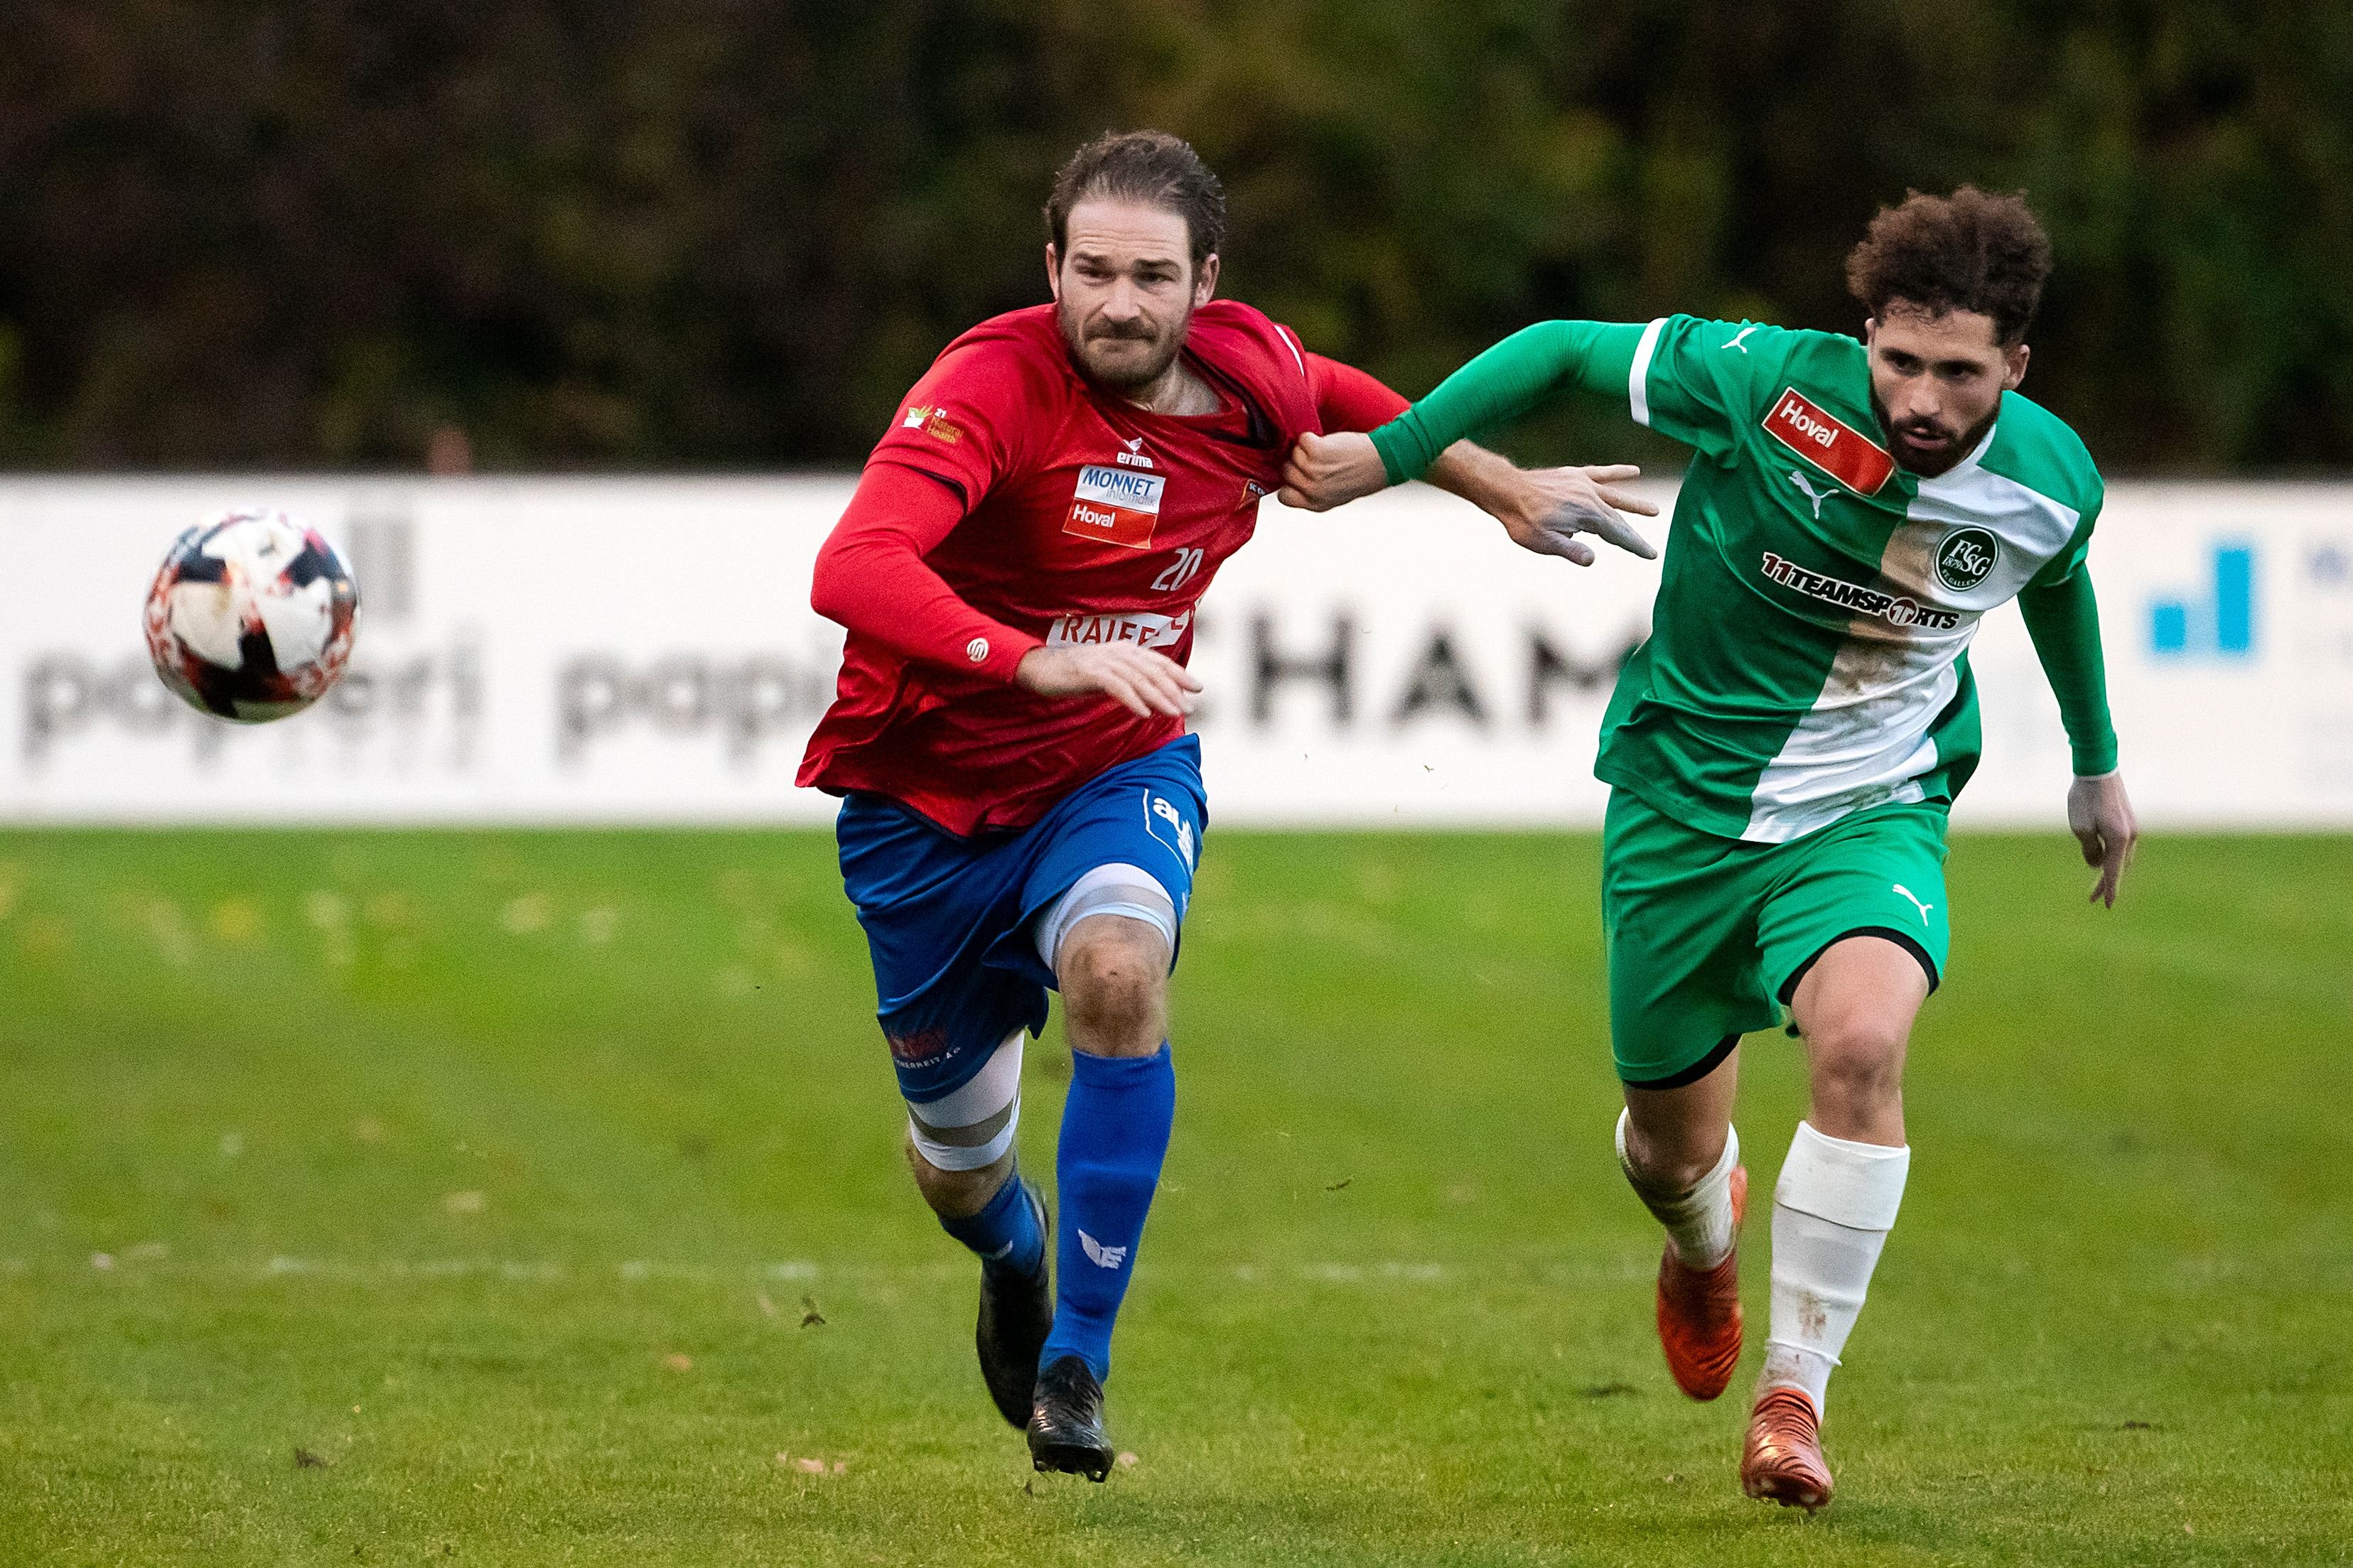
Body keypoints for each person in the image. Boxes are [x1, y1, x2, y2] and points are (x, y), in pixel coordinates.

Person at [798, 129, 1656, 1479]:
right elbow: (854, 566)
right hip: (925, 805)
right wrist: (1032, 656)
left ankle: (1077, 1364)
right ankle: (1015, 1255)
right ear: (1052, 269)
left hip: (1115, 762)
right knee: (959, 1170)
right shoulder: (993, 387)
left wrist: (1493, 486)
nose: (1118, 304)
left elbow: (1355, 396)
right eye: (1091, 272)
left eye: (1150, 275)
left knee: (1120, 972)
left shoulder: (1254, 370)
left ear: (1207, 281)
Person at [1280, 187, 2138, 1510]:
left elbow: (2063, 582)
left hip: (1872, 807)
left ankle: (1793, 1400)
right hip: (1682, 809)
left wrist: (2096, 761)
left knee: (1862, 1046)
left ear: (2013, 368)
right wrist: (1391, 453)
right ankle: (1702, 1240)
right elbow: (1566, 345)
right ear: (1867, 336)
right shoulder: (1772, 386)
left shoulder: (2049, 479)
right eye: (1898, 360)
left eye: (1957, 372)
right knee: (1668, 1153)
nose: (1918, 396)